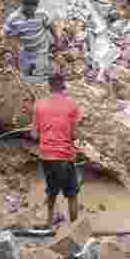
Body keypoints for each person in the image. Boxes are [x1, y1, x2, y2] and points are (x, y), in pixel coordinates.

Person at [32, 71, 82, 227]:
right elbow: (74, 135)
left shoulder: (39, 105)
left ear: (49, 86)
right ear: (63, 85)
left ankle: (48, 222)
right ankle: (74, 227)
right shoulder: (72, 105)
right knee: (72, 194)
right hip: (65, 156)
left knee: (52, 190)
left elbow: (34, 135)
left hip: (46, 156)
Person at [1, 0, 57, 85]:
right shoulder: (13, 18)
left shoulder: (42, 14)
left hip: (41, 49)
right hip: (25, 51)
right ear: (23, 5)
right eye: (28, 9)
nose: (31, 13)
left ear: (36, 6)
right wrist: (9, 44)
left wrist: (56, 39)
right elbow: (4, 33)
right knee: (25, 77)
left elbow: (50, 26)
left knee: (39, 79)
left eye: (34, 9)